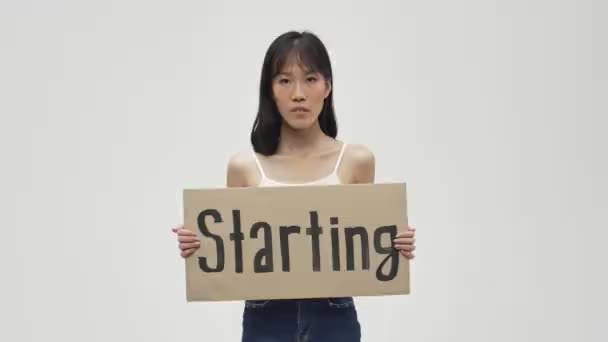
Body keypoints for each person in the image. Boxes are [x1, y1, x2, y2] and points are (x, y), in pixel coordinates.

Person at [171, 30, 417, 342]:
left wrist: (394, 243)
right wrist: (199, 243)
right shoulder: (244, 168)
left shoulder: (356, 161)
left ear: (327, 86)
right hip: (266, 317)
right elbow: (232, 254)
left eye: (310, 79)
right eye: (284, 80)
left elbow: (363, 249)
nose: (298, 94)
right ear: (270, 90)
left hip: (333, 315)